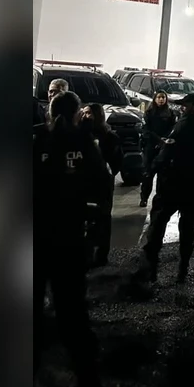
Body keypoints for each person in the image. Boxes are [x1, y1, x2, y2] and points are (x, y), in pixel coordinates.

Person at [34, 91, 112, 387]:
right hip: (68, 238)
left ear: (50, 111)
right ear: (78, 113)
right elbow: (102, 184)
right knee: (72, 311)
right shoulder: (83, 143)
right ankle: (88, 381)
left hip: (35, 238)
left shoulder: (37, 138)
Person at [135, 93, 194, 285]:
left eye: (186, 105)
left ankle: (150, 268)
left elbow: (168, 149)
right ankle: (183, 268)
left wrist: (152, 168)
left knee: (159, 222)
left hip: (173, 181)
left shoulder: (184, 124)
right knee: (188, 226)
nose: (183, 108)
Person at [80, 104, 124, 268]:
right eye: (83, 113)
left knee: (103, 218)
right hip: (85, 183)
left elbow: (117, 159)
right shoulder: (81, 134)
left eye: (88, 113)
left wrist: (108, 172)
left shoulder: (109, 136)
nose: (85, 116)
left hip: (102, 184)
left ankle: (101, 255)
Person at [140, 91, 176, 207]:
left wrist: (164, 140)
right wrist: (158, 140)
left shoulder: (170, 113)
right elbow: (146, 130)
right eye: (159, 97)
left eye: (163, 97)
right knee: (148, 174)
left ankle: (160, 199)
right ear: (155, 99)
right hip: (151, 147)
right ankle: (144, 198)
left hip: (165, 148)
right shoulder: (149, 113)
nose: (161, 99)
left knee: (163, 175)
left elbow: (173, 128)